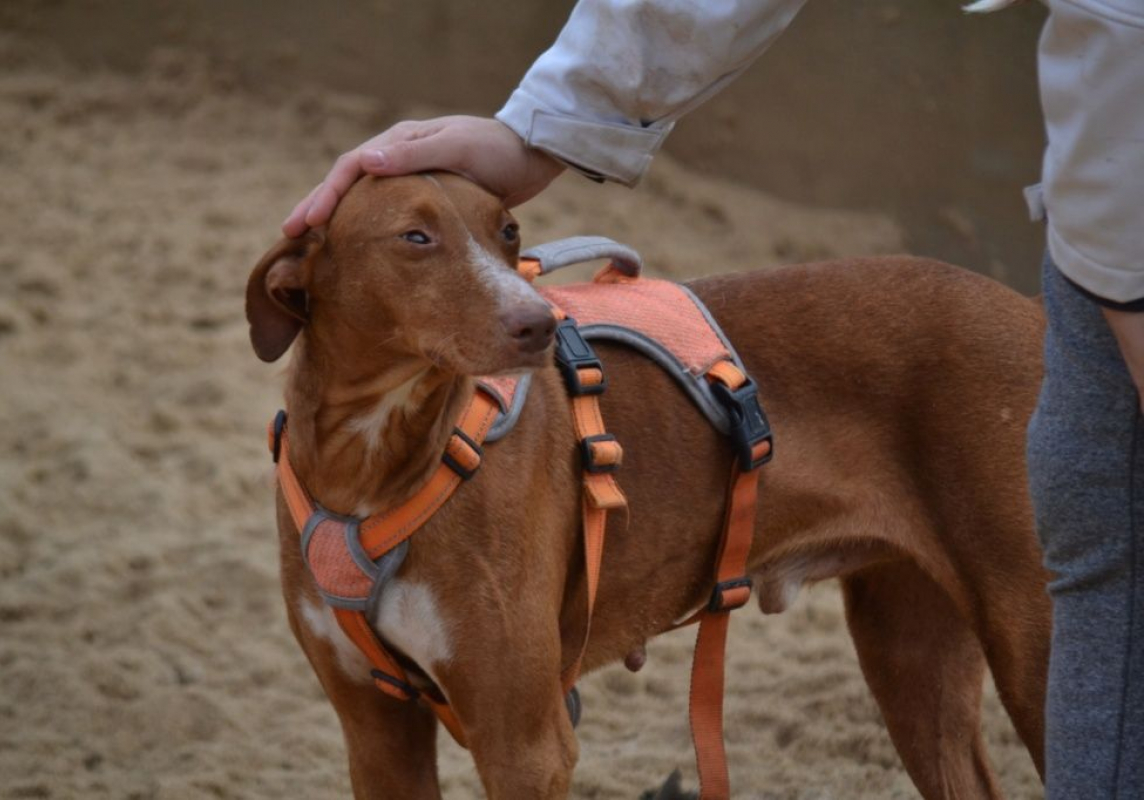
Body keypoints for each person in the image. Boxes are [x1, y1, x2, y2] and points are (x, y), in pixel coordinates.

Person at [281, 1, 1144, 796]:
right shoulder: (312, 506)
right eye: (419, 242)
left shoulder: (944, 352)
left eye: (504, 240)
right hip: (1102, 230)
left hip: (1080, 270)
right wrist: (539, 129)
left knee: (1076, 672)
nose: (524, 304)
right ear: (289, 290)